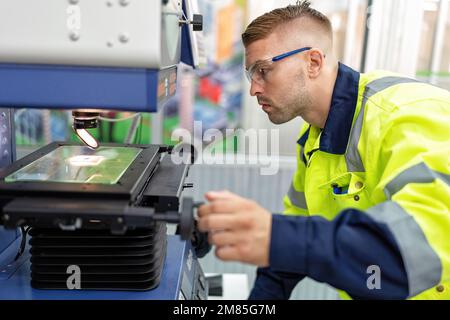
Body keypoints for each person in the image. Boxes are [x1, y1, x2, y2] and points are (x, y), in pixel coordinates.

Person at [197, 1, 450, 300]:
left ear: (313, 62)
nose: (253, 88)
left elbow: (420, 247)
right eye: (251, 74)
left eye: (263, 70)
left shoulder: (405, 114)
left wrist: (277, 235)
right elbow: (291, 246)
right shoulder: (314, 140)